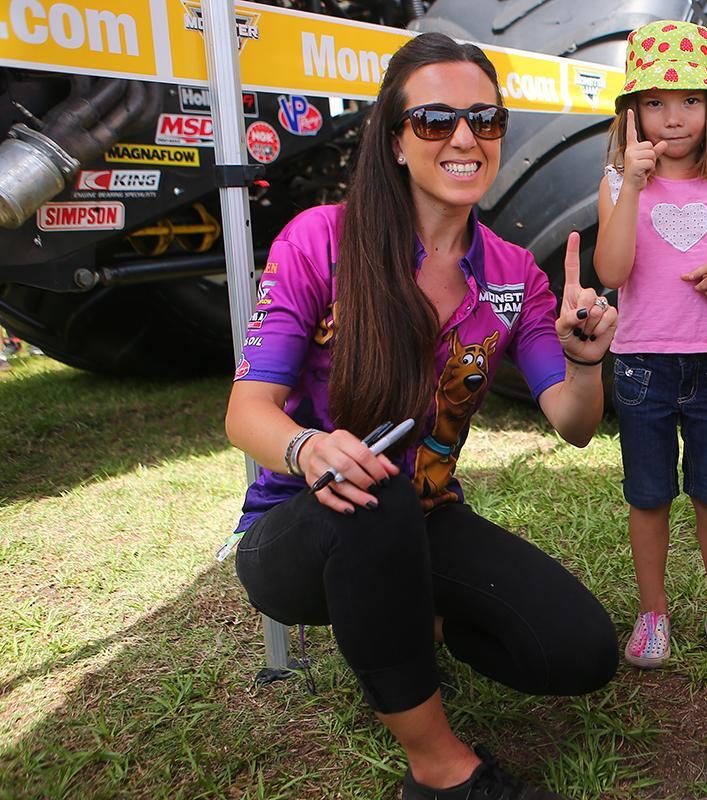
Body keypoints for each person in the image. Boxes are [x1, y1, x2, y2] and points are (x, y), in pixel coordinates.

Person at [223, 33, 619, 800]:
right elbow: (247, 411)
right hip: (305, 527)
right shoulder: (319, 240)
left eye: (485, 119)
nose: (465, 138)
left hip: (426, 519)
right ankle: (440, 771)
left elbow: (572, 423)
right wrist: (309, 450)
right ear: (397, 142)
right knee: (373, 501)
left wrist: (585, 358)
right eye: (435, 121)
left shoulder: (511, 273)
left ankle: (401, 624)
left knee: (580, 653)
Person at [593, 19, 707, 668]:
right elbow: (611, 273)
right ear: (633, 111)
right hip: (641, 367)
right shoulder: (616, 184)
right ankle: (653, 613)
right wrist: (634, 186)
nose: (673, 117)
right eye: (655, 102)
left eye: (690, 100)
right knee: (648, 495)